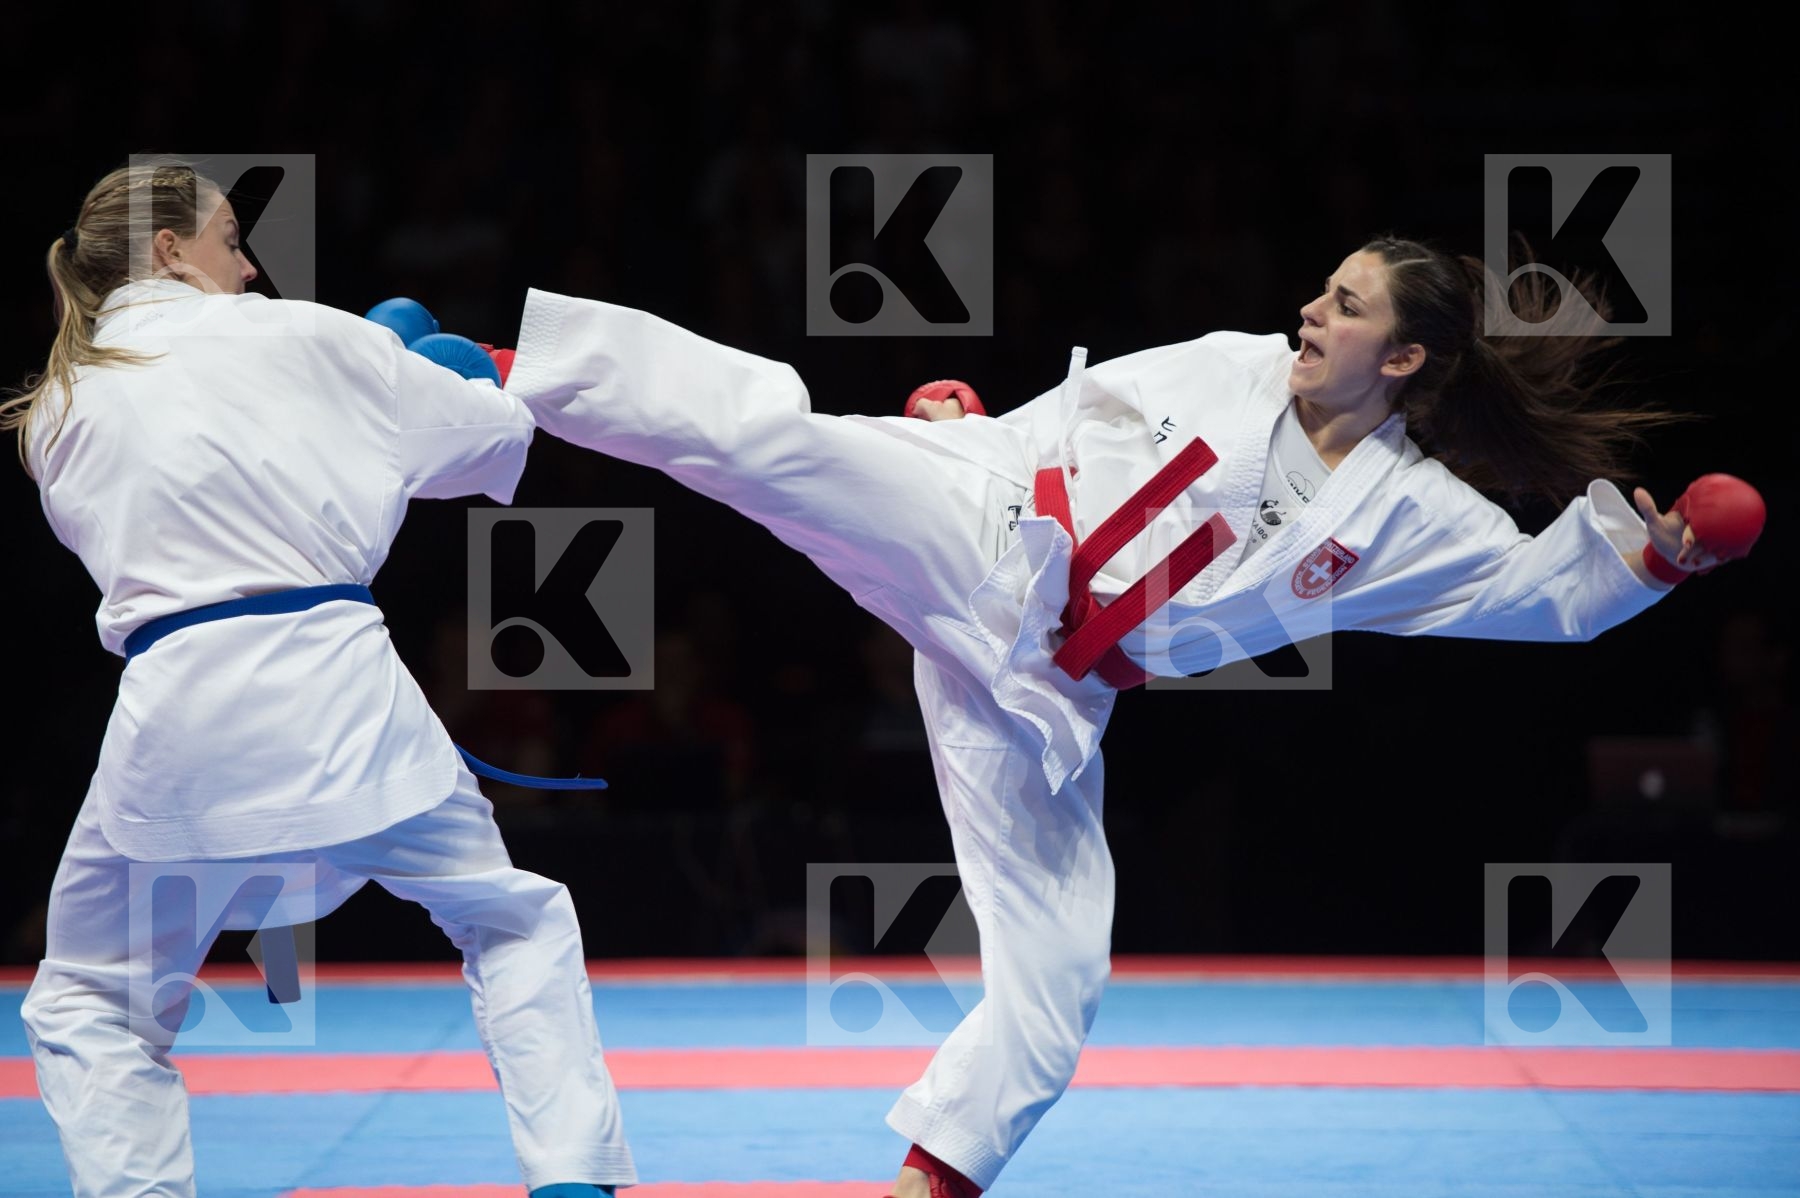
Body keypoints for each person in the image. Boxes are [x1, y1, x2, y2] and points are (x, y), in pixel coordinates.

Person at [491, 233, 1761, 1197]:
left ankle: (932, 1176)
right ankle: (513, 374)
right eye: (1323, 292)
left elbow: (1534, 597)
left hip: (1047, 691)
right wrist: (966, 432)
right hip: (985, 527)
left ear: (1408, 359)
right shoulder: (1229, 365)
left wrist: (1653, 564)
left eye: (1348, 306)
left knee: (1059, 963)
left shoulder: (1411, 521)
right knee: (769, 439)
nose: (1312, 312)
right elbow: (1073, 423)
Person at [5, 161, 635, 1197]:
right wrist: (428, 364)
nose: (249, 266)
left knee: (92, 1000)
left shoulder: (54, 407)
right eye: (230, 237)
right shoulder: (302, 333)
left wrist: (371, 368)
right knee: (511, 920)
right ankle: (571, 1177)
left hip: (177, 718)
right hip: (343, 696)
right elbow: (491, 440)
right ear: (168, 249)